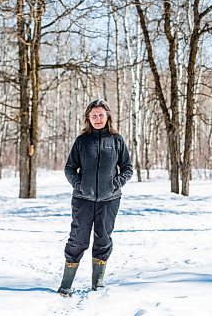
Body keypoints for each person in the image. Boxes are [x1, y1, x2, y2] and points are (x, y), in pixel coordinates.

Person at [58, 99, 133, 297]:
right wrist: (79, 185)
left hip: (110, 200)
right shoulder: (82, 141)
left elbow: (127, 168)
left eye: (100, 115)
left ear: (107, 116)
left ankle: (97, 283)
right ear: (88, 119)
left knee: (103, 239)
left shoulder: (117, 140)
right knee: (77, 240)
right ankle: (66, 284)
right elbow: (69, 169)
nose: (97, 119)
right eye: (93, 116)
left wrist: (115, 183)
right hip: (83, 200)